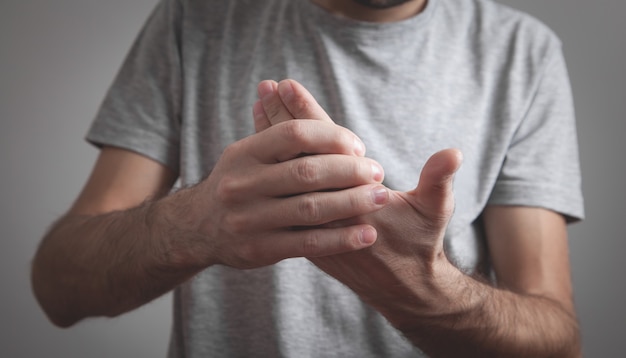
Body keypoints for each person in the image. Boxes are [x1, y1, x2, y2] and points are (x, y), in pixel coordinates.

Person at [31, 0, 585, 356]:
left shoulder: (522, 53)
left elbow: (556, 341)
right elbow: (59, 288)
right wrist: (191, 225)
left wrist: (424, 291)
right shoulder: (194, 18)